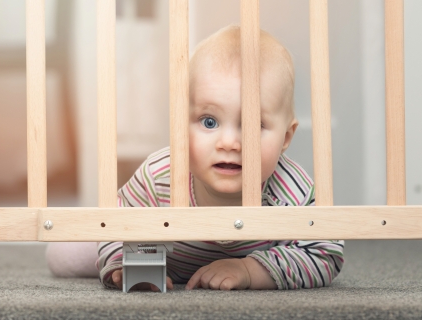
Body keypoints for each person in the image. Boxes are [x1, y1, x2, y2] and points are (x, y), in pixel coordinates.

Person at [48, 25, 344, 291]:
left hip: (250, 257)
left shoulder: (292, 189)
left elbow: (325, 253)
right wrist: (129, 265)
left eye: (254, 124)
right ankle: (95, 252)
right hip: (160, 252)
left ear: (286, 138)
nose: (229, 143)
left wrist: (250, 270)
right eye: (209, 122)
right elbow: (121, 222)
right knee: (70, 252)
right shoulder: (160, 176)